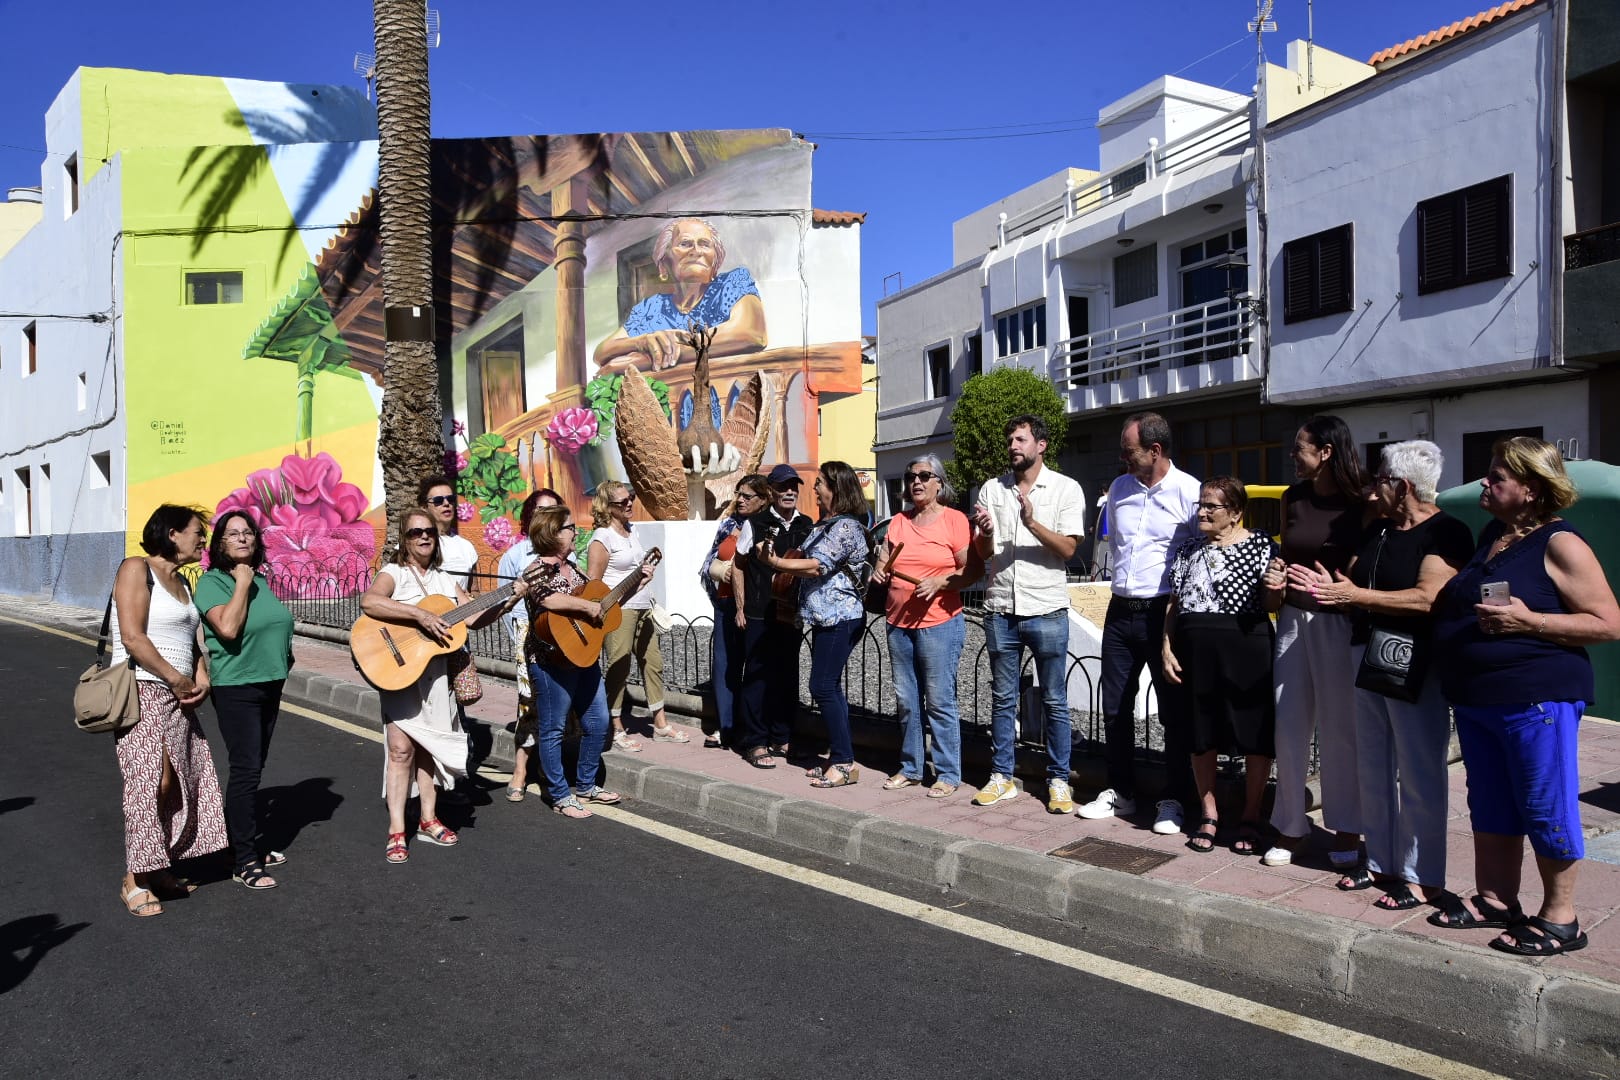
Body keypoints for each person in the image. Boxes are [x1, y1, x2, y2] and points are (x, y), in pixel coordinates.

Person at [1429, 437, 1620, 955]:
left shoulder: (1560, 543)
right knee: (1490, 801)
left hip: (1536, 697)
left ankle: (1562, 918)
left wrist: (1528, 620)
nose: (1486, 483)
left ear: (1532, 490)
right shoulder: (1495, 534)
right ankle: (1496, 898)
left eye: (1497, 477)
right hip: (1480, 698)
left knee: (1544, 804)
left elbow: (1607, 623)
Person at [1289, 441, 1473, 908]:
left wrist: (1353, 598)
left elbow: (1428, 597)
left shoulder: (1445, 532)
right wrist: (1330, 588)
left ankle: (1420, 873)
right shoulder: (1384, 530)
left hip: (1415, 661)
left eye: (1381, 480)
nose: (1374, 489)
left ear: (1403, 486)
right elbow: (1351, 581)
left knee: (1418, 771)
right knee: (1372, 764)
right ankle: (1381, 863)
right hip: (1368, 654)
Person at [360, 507, 528, 863]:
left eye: (429, 532)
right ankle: (396, 830)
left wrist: (509, 598)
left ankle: (428, 819)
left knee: (429, 748)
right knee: (401, 750)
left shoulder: (443, 579)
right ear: (403, 540)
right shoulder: (394, 573)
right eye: (415, 532)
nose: (423, 537)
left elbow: (475, 617)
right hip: (401, 673)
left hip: (436, 678)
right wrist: (420, 614)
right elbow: (370, 601)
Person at [1079, 412, 1201, 832]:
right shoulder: (1119, 488)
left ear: (1156, 450)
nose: (1122, 458)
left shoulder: (1189, 492)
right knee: (1114, 707)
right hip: (1120, 609)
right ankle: (1121, 792)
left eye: (1129, 451)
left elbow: (1200, 554)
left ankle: (1175, 799)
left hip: (1164, 613)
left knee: (1173, 712)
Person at [1260, 415, 1370, 868]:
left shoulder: (1360, 502)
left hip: (1338, 621)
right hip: (1291, 618)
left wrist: (1345, 587)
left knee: (1341, 730)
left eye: (1300, 447)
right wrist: (1275, 580)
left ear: (1325, 452)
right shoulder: (1293, 498)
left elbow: (1366, 564)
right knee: (1288, 725)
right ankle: (1290, 827)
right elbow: (1288, 554)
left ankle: (1348, 828)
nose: (1292, 455)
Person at [108, 505, 228, 916]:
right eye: (198, 532)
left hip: (179, 697)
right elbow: (133, 637)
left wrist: (201, 676)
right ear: (172, 533)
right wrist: (176, 680)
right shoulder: (135, 569)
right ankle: (133, 879)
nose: (203, 540)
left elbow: (194, 642)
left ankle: (157, 869)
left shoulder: (183, 583)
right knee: (150, 783)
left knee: (177, 783)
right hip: (142, 691)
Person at [969, 414, 1086, 813]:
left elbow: (1069, 550)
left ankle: (1058, 780)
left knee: (1054, 700)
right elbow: (984, 554)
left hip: (1047, 608)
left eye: (1020, 439)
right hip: (1001, 607)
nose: (1013, 446)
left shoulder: (1066, 489)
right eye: (1010, 439)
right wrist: (985, 532)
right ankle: (1002, 776)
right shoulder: (991, 489)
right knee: (1002, 698)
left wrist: (1031, 521)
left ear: (1041, 445)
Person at [1162, 478, 1279, 854]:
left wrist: (1277, 588)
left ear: (1236, 513)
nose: (1203, 512)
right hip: (1197, 650)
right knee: (1201, 732)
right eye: (1201, 505)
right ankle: (1209, 814)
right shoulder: (1188, 549)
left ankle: (1250, 814)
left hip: (1247, 648)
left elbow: (1272, 600)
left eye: (1212, 506)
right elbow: (1174, 604)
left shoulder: (1261, 545)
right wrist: (1166, 646)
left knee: (1254, 733)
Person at [194, 510, 296, 890]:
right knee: (246, 769)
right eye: (232, 534)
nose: (241, 538)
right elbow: (228, 628)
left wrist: (285, 657)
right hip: (236, 686)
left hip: (270, 683)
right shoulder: (213, 583)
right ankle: (244, 859)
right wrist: (240, 583)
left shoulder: (262, 580)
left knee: (256, 766)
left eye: (247, 532)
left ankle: (240, 841)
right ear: (219, 543)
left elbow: (276, 625)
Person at [522, 506, 643, 818]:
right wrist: (585, 607)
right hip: (550, 662)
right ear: (552, 533)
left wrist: (633, 585)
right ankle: (561, 795)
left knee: (598, 723)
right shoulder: (535, 570)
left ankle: (587, 784)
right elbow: (548, 599)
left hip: (583, 657)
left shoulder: (575, 571)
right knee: (553, 729)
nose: (576, 532)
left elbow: (601, 610)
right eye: (570, 527)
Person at [757, 461, 872, 787]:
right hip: (825, 617)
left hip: (840, 617)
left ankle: (844, 762)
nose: (814, 488)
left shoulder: (846, 528)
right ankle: (841, 757)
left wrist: (777, 563)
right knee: (828, 686)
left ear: (837, 488)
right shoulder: (826, 525)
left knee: (822, 686)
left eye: (820, 483)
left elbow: (818, 567)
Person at [871, 454, 973, 798]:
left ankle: (947, 772)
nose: (916, 481)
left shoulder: (955, 520)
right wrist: (879, 571)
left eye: (924, 475)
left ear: (939, 483)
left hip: (939, 623)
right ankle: (911, 768)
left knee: (940, 700)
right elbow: (884, 561)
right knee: (907, 701)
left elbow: (970, 571)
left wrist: (940, 582)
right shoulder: (898, 522)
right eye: (911, 475)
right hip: (898, 622)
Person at [592, 217, 767, 374]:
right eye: (685, 243)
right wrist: (642, 342)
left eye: (705, 244)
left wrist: (644, 358)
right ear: (663, 265)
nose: (696, 251)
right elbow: (602, 352)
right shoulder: (651, 308)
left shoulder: (732, 283)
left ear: (715, 262)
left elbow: (750, 333)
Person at [588, 480, 686, 749]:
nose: (630, 503)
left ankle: (660, 723)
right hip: (619, 610)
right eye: (623, 502)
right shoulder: (602, 537)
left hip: (643, 605)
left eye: (630, 498)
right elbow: (593, 586)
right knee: (619, 665)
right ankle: (615, 726)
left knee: (653, 663)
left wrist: (643, 578)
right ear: (608, 507)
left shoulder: (631, 531)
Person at [733, 464, 815, 764]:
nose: (789, 491)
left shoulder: (808, 525)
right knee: (757, 677)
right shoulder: (755, 523)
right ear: (772, 492)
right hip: (759, 612)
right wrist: (741, 607)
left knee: (787, 676)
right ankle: (755, 741)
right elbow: (738, 566)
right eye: (782, 487)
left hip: (791, 613)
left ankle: (782, 737)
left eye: (793, 486)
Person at [498, 488, 563, 801]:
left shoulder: (567, 552)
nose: (548, 516)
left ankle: (549, 769)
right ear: (530, 516)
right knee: (528, 703)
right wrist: (519, 644)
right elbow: (504, 603)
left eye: (554, 510)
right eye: (542, 510)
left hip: (560, 636)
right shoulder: (515, 555)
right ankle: (521, 768)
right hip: (527, 635)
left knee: (556, 703)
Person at [698, 474, 770, 750]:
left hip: (756, 609)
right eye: (738, 494)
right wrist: (720, 575)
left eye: (747, 496)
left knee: (754, 667)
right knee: (726, 667)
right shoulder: (728, 524)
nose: (739, 499)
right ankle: (725, 726)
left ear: (763, 500)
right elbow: (708, 563)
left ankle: (751, 728)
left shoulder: (767, 526)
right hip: (727, 604)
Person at [420, 475, 478, 591]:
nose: (446, 503)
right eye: (438, 501)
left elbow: (474, 590)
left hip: (462, 609)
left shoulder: (466, 547)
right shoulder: (415, 542)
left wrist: (471, 598)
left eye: (450, 499)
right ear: (424, 507)